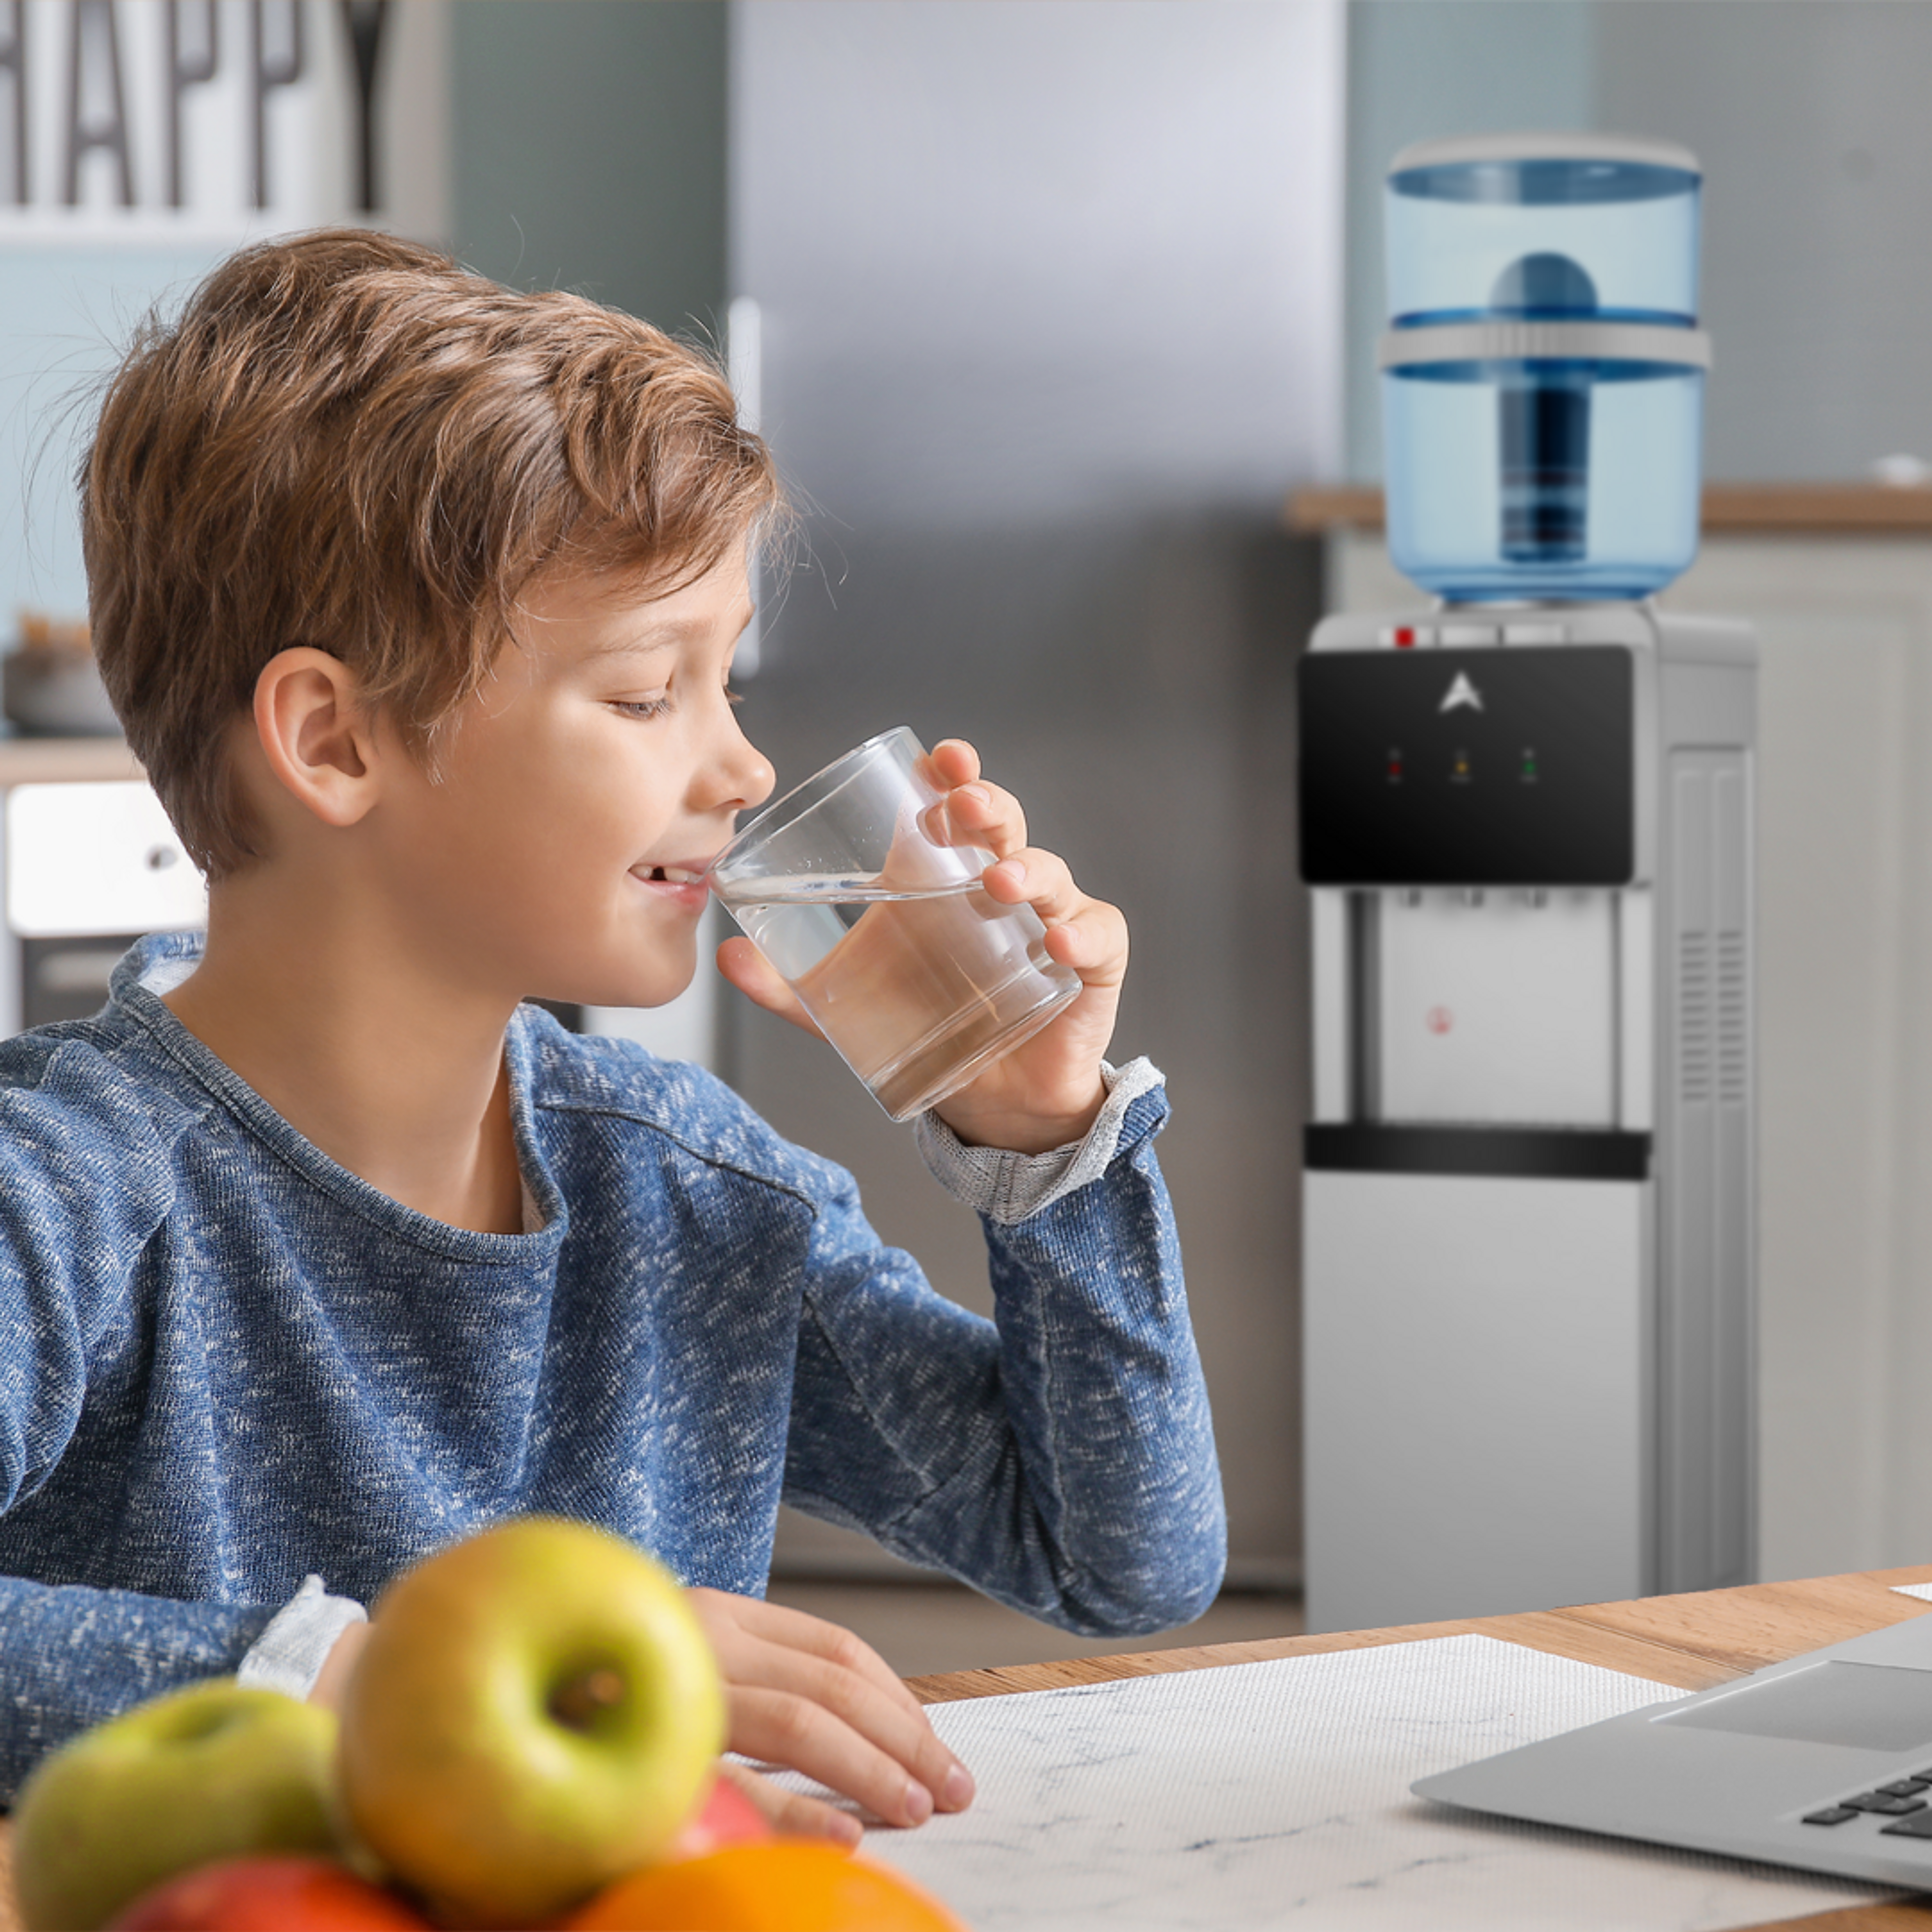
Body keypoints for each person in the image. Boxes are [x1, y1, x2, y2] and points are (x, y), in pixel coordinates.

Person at [0, 229, 1224, 1835]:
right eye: (651, 693)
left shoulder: (694, 1189)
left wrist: (1044, 1143)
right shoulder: (69, 1197)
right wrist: (359, 1681)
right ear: (332, 739)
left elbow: (1118, 1562)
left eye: (727, 682)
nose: (736, 770)